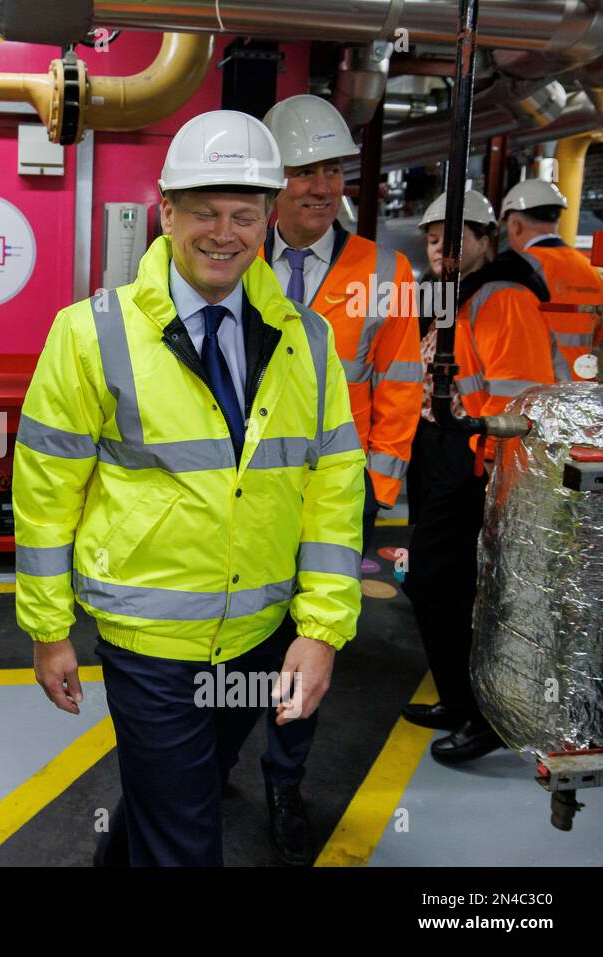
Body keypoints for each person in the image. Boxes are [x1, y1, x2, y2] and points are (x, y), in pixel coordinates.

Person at [13, 110, 364, 867]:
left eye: (244, 214)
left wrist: (322, 626)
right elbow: (47, 490)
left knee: (175, 793)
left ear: (268, 218)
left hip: (260, 636)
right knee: (186, 842)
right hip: (152, 646)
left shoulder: (307, 337)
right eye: (204, 211)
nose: (224, 232)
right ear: (165, 211)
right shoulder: (89, 333)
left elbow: (333, 485)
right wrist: (48, 629)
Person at [258, 94, 423, 865]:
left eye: (331, 169)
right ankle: (212, 755)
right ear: (273, 179)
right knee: (228, 639)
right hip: (238, 499)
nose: (321, 186)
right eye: (303, 171)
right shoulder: (228, 253)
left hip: (332, 501)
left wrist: (376, 493)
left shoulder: (385, 273)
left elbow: (401, 387)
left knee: (310, 643)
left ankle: (284, 779)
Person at [400, 188, 553, 764]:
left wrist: (491, 468)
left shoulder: (502, 297)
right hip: (444, 450)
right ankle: (456, 697)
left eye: (457, 239)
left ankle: (480, 714)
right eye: (435, 240)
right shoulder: (452, 295)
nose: (443, 249)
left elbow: (522, 398)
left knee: (438, 582)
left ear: (489, 240)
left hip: (475, 460)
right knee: (447, 584)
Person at [500, 178, 603, 381]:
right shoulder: (591, 271)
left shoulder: (517, 271)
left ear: (515, 225)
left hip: (538, 392)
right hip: (584, 393)